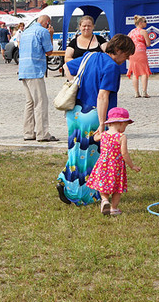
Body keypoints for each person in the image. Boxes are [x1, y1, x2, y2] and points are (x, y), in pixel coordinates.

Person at [57, 33, 136, 206]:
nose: (127, 58)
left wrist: (77, 83)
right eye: (127, 54)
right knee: (92, 156)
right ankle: (83, 195)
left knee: (76, 151)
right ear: (117, 50)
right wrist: (102, 124)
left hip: (75, 112)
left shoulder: (90, 56)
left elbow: (68, 67)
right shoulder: (112, 67)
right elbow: (102, 96)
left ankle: (65, 180)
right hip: (93, 115)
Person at [87, 107, 141, 216]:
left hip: (103, 164)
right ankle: (114, 209)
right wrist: (132, 166)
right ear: (120, 124)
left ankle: (105, 200)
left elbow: (95, 138)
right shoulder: (121, 137)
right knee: (117, 189)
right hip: (116, 166)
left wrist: (99, 131)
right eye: (125, 125)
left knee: (103, 185)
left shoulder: (104, 135)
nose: (125, 127)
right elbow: (124, 154)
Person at [19, 15, 58, 142]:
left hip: (24, 69)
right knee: (41, 102)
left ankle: (28, 132)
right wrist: (51, 34)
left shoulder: (26, 31)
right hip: (35, 70)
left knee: (30, 102)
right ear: (47, 23)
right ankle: (43, 134)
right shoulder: (43, 32)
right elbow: (49, 52)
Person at [127, 15, 152, 97]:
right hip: (141, 52)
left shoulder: (131, 32)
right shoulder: (143, 31)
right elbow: (148, 43)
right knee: (144, 72)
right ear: (140, 23)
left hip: (132, 52)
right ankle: (144, 92)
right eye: (145, 21)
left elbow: (127, 41)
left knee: (135, 72)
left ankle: (136, 92)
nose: (146, 23)